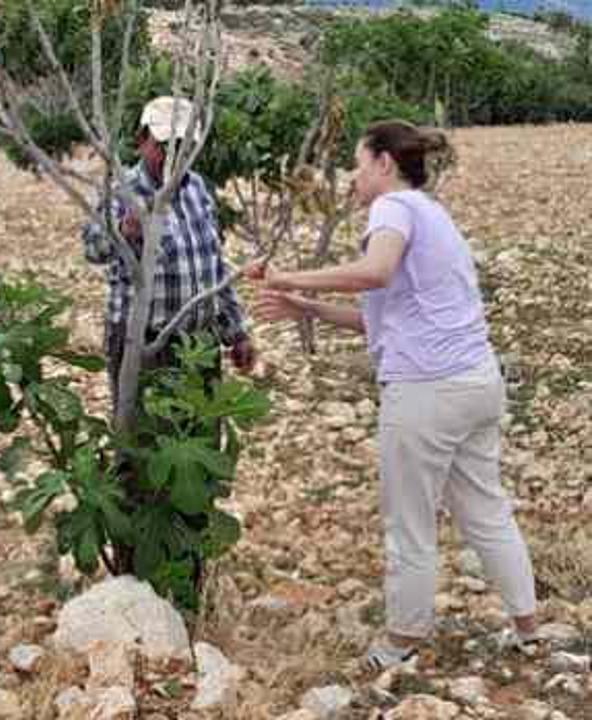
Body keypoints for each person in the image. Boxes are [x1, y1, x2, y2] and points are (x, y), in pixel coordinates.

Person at [250, 120, 539, 671]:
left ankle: (402, 640)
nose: (352, 178)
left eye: (357, 164)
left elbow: (375, 274)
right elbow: (384, 318)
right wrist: (305, 307)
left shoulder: (394, 208)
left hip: (426, 389)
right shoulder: (434, 215)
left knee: (409, 522)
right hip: (475, 380)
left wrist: (287, 275)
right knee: (485, 509)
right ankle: (527, 627)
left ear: (384, 163)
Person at [81, 95, 256, 417]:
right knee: (142, 445)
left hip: (199, 344)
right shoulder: (122, 190)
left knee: (200, 433)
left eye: (183, 146)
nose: (172, 156)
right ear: (141, 141)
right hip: (144, 345)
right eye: (164, 145)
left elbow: (213, 266)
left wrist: (237, 332)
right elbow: (92, 248)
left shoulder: (198, 188)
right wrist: (123, 229)